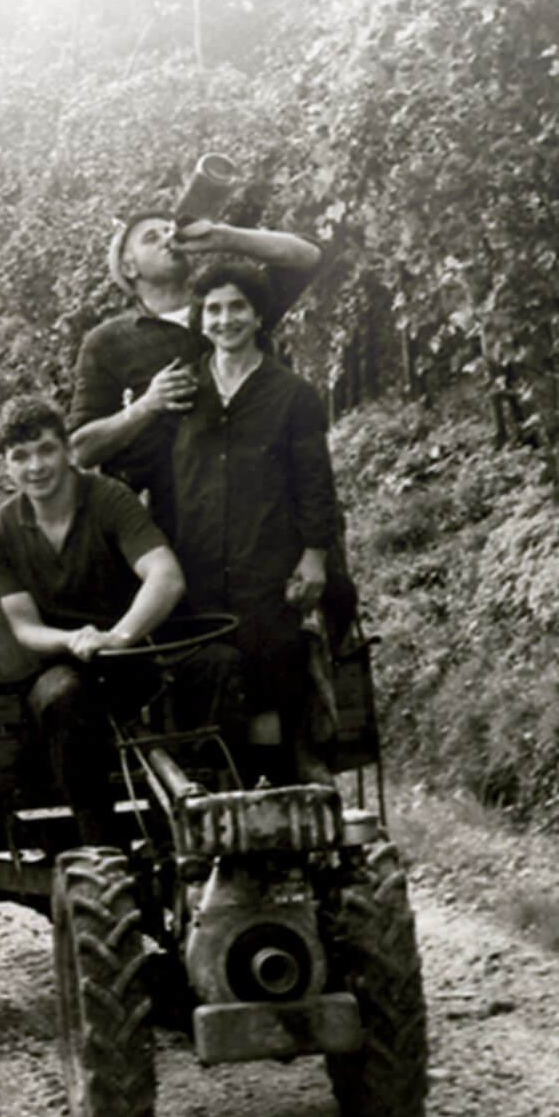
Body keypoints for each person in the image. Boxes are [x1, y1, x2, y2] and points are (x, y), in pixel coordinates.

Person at [0, 394, 241, 846]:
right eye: (20, 457)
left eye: (45, 450)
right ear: (7, 466)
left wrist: (120, 636)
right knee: (60, 696)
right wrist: (74, 641)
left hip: (136, 651)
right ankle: (98, 841)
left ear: (67, 450)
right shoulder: (0, 529)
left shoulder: (109, 500)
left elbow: (165, 575)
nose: (36, 467)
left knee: (222, 663)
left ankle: (192, 830)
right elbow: (23, 625)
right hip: (70, 662)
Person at [171, 263, 341, 784]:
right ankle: (224, 805)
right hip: (197, 569)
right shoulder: (181, 391)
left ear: (257, 314)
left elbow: (315, 483)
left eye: (237, 307)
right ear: (201, 318)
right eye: (215, 309)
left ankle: (290, 790)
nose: (226, 320)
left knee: (273, 672)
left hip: (268, 567)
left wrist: (314, 556)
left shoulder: (291, 395)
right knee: (213, 682)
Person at [69, 211, 323, 537]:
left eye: (168, 229)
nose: (168, 237)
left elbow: (308, 257)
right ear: (129, 268)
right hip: (173, 524)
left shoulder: (230, 309)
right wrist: (146, 406)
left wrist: (222, 236)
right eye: (151, 237)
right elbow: (81, 450)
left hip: (264, 504)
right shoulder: (106, 341)